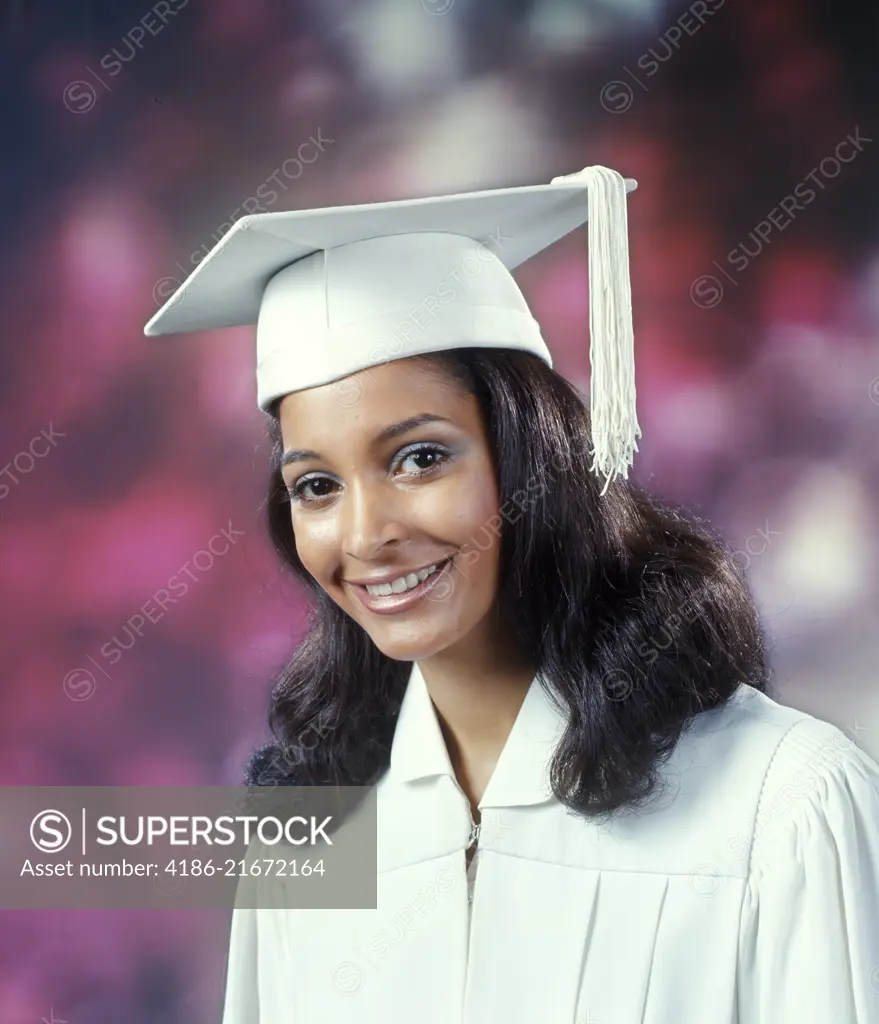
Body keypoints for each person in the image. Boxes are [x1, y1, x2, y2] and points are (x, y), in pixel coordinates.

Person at [145, 167, 879, 1023]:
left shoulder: (779, 803)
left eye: (420, 457)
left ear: (531, 457)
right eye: (315, 485)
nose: (363, 534)